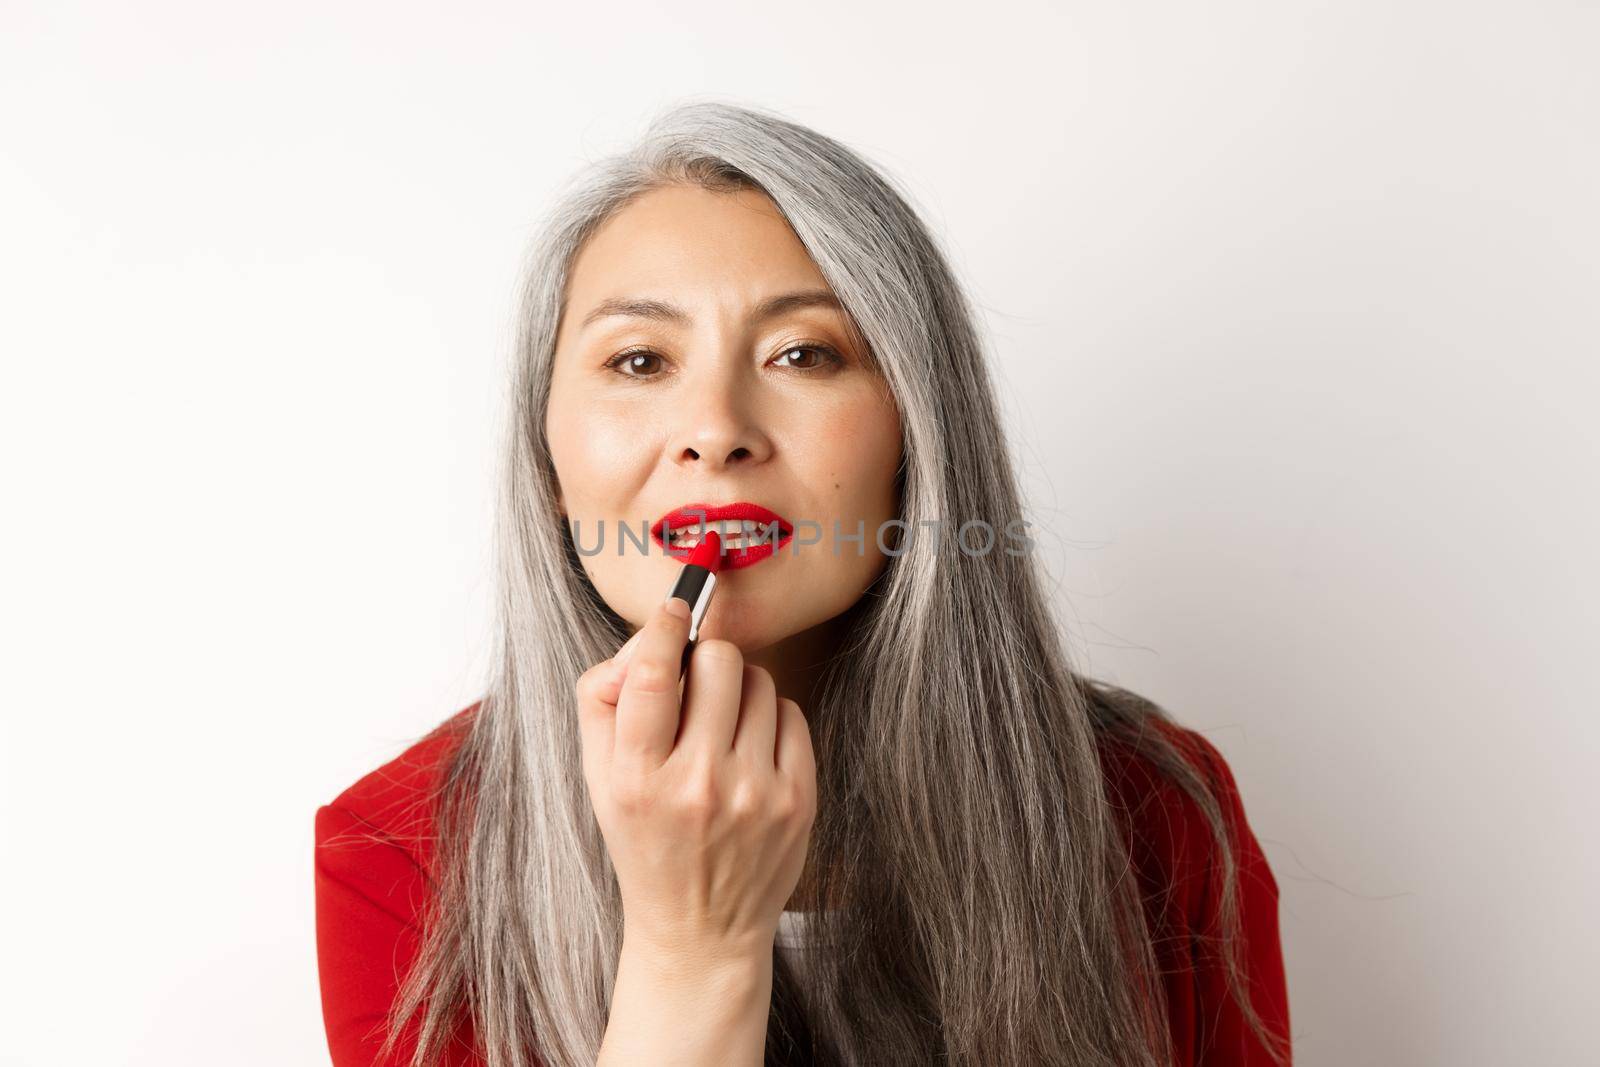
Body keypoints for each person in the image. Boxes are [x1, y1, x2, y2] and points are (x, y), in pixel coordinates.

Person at [314, 99, 1291, 1067]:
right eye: (640, 358)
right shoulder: (395, 855)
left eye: (803, 353)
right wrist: (691, 952)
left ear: (917, 437)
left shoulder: (1155, 809)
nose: (715, 426)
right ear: (547, 457)